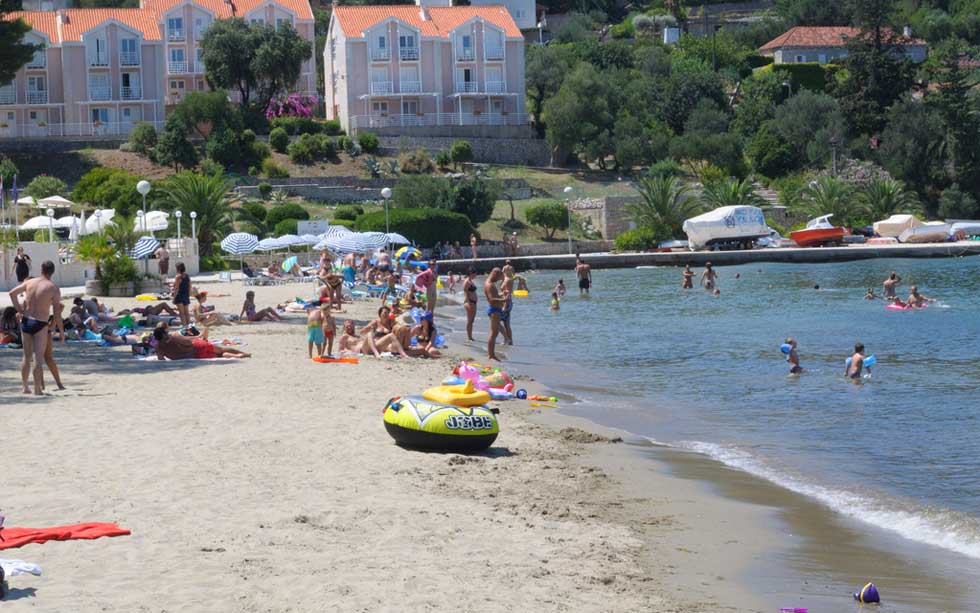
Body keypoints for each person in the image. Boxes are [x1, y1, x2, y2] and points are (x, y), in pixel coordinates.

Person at [8, 260, 63, 395]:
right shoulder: (53, 288)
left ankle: (25, 387)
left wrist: (20, 310)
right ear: (52, 272)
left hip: (26, 321)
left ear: (41, 269)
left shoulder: (30, 282)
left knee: (26, 357)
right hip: (40, 323)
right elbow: (57, 312)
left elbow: (12, 293)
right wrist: (61, 331)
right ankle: (37, 389)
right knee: (38, 358)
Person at [153, 327, 250, 360]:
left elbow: (161, 359)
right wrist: (198, 338)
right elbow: (188, 343)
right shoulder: (174, 336)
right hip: (197, 347)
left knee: (220, 356)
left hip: (195, 356)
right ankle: (243, 354)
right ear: (164, 333)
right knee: (221, 350)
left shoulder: (158, 347)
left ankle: (237, 357)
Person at [484, 267, 508, 361]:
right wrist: (504, 299)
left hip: (495, 310)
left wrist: (501, 294)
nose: (498, 280)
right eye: (498, 277)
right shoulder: (489, 285)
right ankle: (491, 355)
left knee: (495, 332)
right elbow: (491, 300)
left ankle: (492, 354)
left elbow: (494, 296)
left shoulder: (490, 284)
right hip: (494, 310)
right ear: (494, 274)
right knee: (494, 333)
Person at [172, 262, 191, 327]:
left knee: (182, 313)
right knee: (187, 312)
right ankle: (189, 325)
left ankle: (185, 326)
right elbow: (190, 286)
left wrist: (174, 298)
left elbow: (176, 288)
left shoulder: (178, 277)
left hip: (179, 295)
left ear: (177, 268)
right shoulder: (187, 276)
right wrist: (188, 294)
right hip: (186, 295)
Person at [463, 268, 478, 341]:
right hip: (470, 302)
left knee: (472, 321)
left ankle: (470, 336)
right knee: (469, 320)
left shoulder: (470, 281)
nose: (476, 275)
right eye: (474, 273)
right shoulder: (467, 281)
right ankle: (469, 337)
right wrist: (468, 302)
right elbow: (465, 292)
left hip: (473, 302)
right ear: (471, 273)